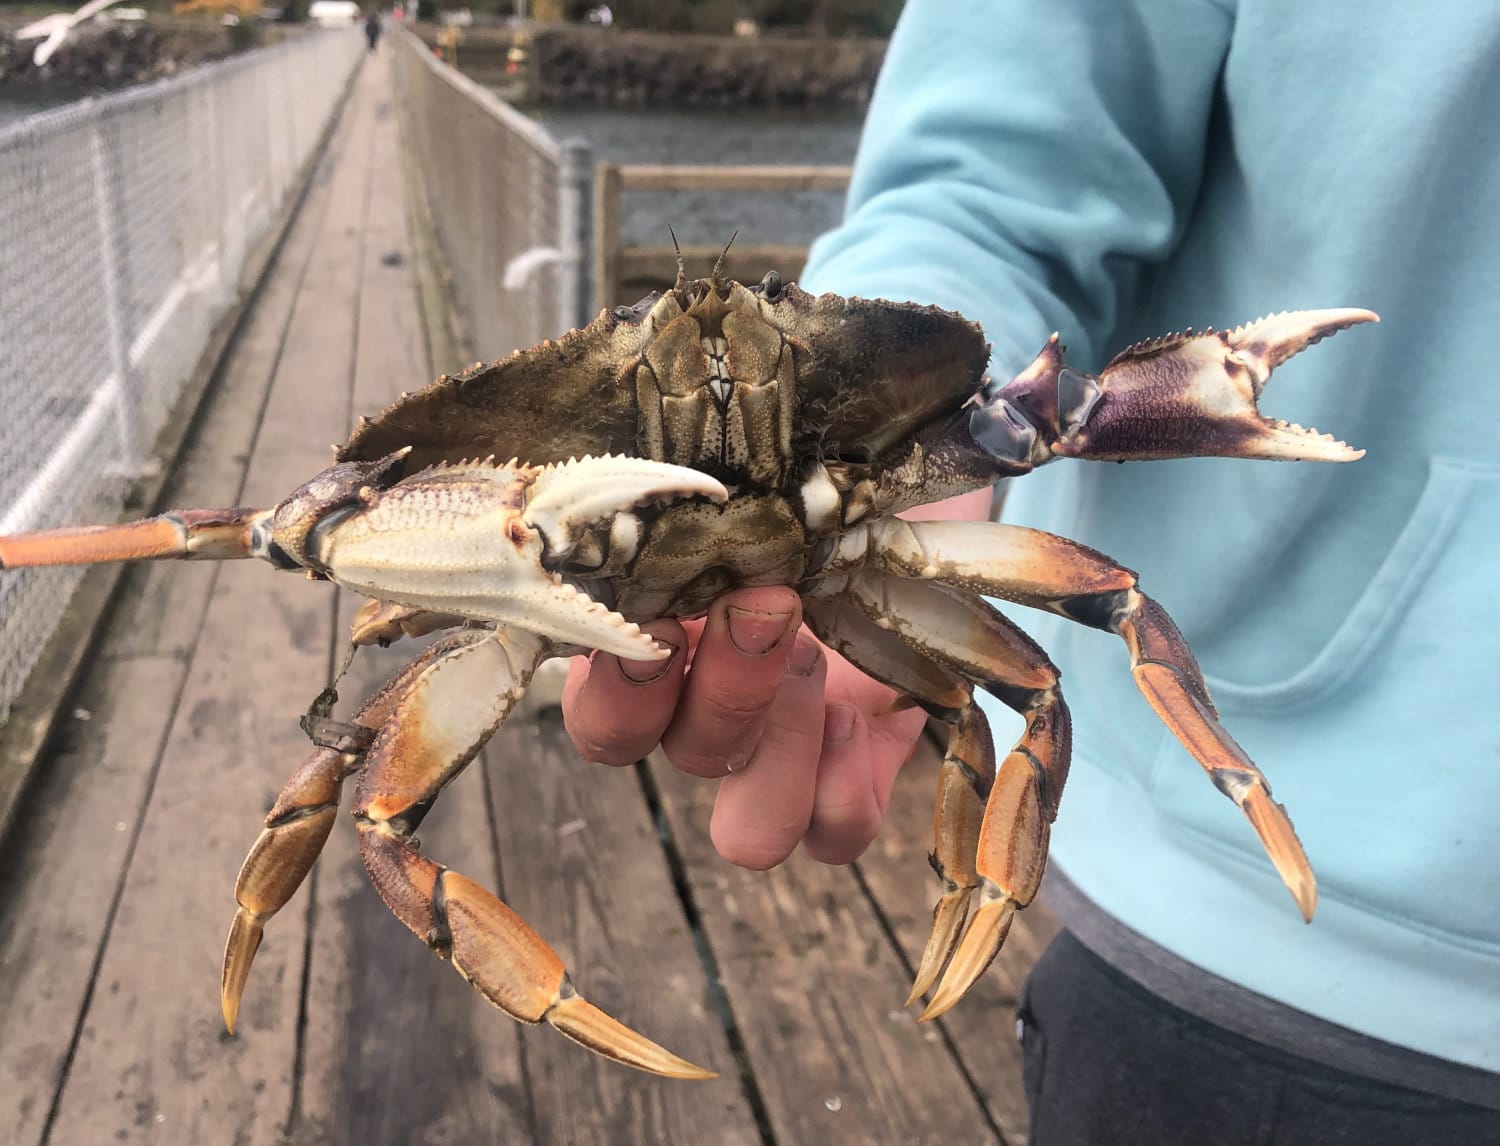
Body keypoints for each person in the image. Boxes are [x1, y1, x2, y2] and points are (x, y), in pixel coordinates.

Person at [563, 1, 1500, 1142]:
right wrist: (875, 399)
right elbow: (984, 181)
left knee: (1055, 663)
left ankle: (985, 889)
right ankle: (1140, 834)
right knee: (1052, 664)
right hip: (1297, 973)